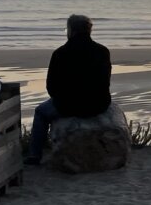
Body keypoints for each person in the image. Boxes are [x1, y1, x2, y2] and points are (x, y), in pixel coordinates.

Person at [26, 14, 112, 166]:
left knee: (40, 112)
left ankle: (35, 155)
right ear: (89, 30)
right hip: (98, 104)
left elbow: (51, 86)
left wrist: (61, 100)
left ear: (71, 31)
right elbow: (105, 82)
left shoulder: (60, 53)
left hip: (67, 105)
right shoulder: (102, 51)